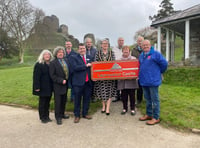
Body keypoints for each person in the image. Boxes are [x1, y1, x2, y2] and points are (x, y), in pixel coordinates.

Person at [138, 40, 168, 125]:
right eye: (143, 45)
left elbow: (164, 64)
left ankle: (156, 117)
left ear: (150, 45)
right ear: (141, 46)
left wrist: (159, 72)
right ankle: (149, 114)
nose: (145, 46)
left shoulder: (156, 54)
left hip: (153, 81)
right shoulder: (141, 55)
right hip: (144, 81)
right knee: (147, 99)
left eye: (147, 45)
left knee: (155, 100)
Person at [70, 43, 93, 123]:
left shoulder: (90, 57)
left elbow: (93, 69)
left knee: (87, 99)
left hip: (88, 82)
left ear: (85, 49)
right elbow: (75, 68)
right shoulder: (74, 58)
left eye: (83, 48)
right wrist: (86, 66)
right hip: (78, 83)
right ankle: (76, 115)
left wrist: (95, 77)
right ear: (78, 50)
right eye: (80, 49)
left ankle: (85, 113)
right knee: (77, 100)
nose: (82, 50)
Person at [94, 39, 117, 115]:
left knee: (109, 91)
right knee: (102, 91)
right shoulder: (98, 53)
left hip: (110, 77)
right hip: (101, 77)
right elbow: (95, 63)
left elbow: (114, 63)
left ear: (108, 45)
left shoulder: (111, 53)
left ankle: (108, 108)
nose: (105, 45)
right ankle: (103, 106)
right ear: (101, 45)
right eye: (103, 44)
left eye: (106, 44)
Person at [49, 46, 70, 125]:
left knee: (64, 100)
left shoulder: (66, 60)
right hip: (58, 85)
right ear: (56, 54)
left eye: (62, 52)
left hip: (66, 84)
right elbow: (52, 75)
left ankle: (62, 114)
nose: (60, 53)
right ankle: (58, 117)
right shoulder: (53, 63)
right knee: (58, 102)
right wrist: (61, 80)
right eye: (59, 52)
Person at [33, 49, 53, 123]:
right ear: (42, 56)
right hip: (42, 87)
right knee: (42, 103)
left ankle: (47, 116)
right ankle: (42, 117)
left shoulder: (50, 64)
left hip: (49, 87)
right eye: (45, 54)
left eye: (48, 54)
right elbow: (36, 77)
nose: (47, 56)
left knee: (48, 103)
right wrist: (37, 87)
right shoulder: (39, 64)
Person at [117, 46, 138, 115]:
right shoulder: (119, 60)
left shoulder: (133, 59)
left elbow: (136, 69)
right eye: (124, 50)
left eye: (127, 50)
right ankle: (124, 108)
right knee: (124, 96)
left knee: (132, 96)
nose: (126, 52)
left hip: (131, 81)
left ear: (129, 51)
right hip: (122, 82)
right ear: (122, 51)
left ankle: (132, 109)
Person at [131, 36, 144, 105]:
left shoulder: (145, 49)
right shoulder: (133, 50)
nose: (140, 42)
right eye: (139, 41)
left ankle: (147, 99)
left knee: (145, 85)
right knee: (138, 85)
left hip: (144, 69)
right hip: (136, 69)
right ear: (137, 42)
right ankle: (139, 99)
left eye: (141, 41)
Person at [112, 37, 124, 102]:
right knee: (116, 83)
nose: (121, 42)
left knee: (122, 82)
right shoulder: (114, 49)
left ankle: (122, 96)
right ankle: (117, 96)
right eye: (120, 40)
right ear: (117, 41)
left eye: (122, 40)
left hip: (123, 68)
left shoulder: (125, 48)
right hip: (116, 67)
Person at [85, 37, 97, 102]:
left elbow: (96, 58)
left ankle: (93, 96)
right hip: (86, 68)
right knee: (87, 83)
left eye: (90, 42)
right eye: (87, 42)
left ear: (91, 43)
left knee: (93, 83)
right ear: (86, 43)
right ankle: (88, 96)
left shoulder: (95, 50)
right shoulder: (84, 49)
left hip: (93, 68)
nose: (89, 43)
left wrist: (92, 64)